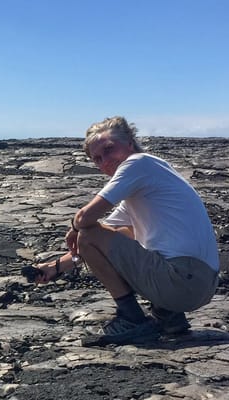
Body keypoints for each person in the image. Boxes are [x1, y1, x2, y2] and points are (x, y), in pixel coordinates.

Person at [33, 116, 219, 345]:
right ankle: (168, 317)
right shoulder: (149, 176)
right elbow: (102, 242)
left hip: (182, 280)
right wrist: (55, 267)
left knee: (89, 232)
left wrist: (74, 226)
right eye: (97, 159)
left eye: (109, 150)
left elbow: (86, 222)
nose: (105, 162)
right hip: (199, 283)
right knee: (118, 233)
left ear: (130, 143)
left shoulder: (138, 163)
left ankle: (132, 319)